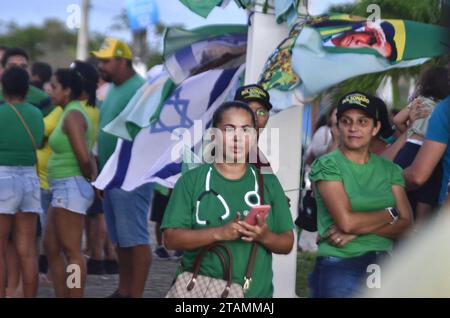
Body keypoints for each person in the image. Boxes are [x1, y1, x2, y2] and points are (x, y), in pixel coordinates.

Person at [162, 101, 294, 298]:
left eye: (245, 130)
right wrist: (219, 233)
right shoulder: (191, 181)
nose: (237, 138)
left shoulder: (269, 183)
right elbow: (171, 239)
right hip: (200, 292)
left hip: (255, 296)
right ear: (214, 136)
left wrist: (264, 236)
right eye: (229, 129)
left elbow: (287, 243)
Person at [308, 92, 413, 298]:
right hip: (341, 262)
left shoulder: (390, 169)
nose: (353, 128)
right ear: (338, 127)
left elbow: (407, 224)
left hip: (383, 264)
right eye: (346, 122)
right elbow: (346, 222)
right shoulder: (328, 165)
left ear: (375, 128)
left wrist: (358, 230)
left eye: (362, 122)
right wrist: (390, 213)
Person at [91, 38, 152, 298]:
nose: (100, 65)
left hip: (131, 176)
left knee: (135, 239)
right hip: (111, 176)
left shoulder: (141, 89)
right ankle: (124, 289)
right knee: (120, 239)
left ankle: (134, 293)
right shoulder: (113, 88)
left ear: (122, 61)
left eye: (105, 60)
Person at [44, 69, 95, 298]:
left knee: (72, 251)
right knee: (51, 246)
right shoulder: (67, 113)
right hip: (63, 188)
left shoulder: (73, 116)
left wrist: (89, 180)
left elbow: (84, 157)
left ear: (67, 91)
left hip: (70, 186)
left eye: (54, 86)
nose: (49, 90)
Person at [0, 67, 44, 298]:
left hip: (3, 177)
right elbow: (37, 142)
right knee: (27, 250)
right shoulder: (36, 114)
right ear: (27, 88)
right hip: (29, 178)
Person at [393, 66, 450, 221]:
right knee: (427, 192)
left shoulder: (421, 102)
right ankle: (419, 225)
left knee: (403, 190)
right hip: (433, 153)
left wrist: (410, 130)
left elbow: (397, 119)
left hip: (410, 146)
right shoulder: (441, 106)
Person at [0, 48, 53, 116]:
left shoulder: (42, 99)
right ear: (3, 68)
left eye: (23, 66)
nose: (18, 70)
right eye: (12, 66)